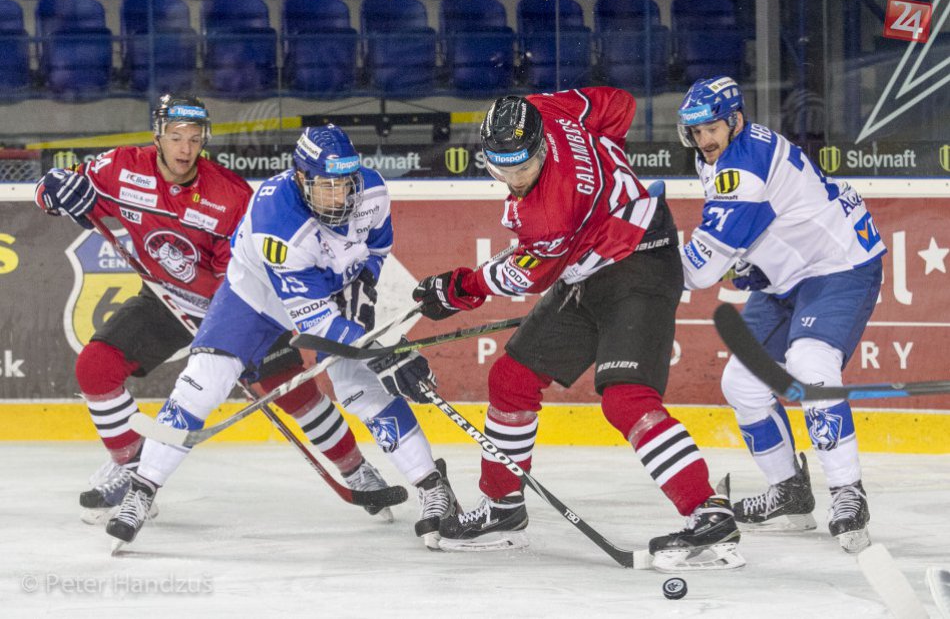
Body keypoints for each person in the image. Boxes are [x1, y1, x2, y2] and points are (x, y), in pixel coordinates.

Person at [412, 88, 744, 571]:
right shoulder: (544, 109)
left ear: (542, 148)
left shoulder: (548, 211)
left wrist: (458, 288)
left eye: (523, 168)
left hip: (640, 262)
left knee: (625, 397)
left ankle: (707, 512)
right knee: (512, 379)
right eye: (503, 168)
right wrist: (609, 173)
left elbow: (528, 275)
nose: (514, 178)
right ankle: (504, 510)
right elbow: (620, 105)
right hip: (587, 269)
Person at [35, 96, 387, 526]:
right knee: (95, 367)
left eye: (195, 139)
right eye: (176, 137)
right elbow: (55, 189)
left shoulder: (230, 195)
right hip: (167, 300)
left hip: (239, 306)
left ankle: (356, 469)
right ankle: (131, 470)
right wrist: (54, 190)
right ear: (157, 135)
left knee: (297, 394)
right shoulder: (120, 166)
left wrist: (228, 337)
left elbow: (240, 274)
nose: (185, 148)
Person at [104, 124, 458, 549]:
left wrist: (366, 282)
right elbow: (313, 322)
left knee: (362, 389)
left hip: (335, 290)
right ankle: (141, 491)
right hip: (255, 296)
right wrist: (383, 351)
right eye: (325, 186)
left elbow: (379, 246)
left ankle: (433, 486)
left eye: (344, 185)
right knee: (202, 383)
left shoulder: (373, 191)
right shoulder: (279, 221)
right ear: (301, 179)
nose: (338, 197)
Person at [676, 76, 886, 553]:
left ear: (735, 121)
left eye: (712, 128)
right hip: (788, 276)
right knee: (743, 384)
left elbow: (701, 270)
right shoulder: (723, 155)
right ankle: (789, 495)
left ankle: (848, 492)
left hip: (838, 266)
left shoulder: (743, 169)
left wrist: (644, 279)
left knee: (813, 367)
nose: (704, 140)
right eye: (695, 131)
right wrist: (750, 259)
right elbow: (761, 224)